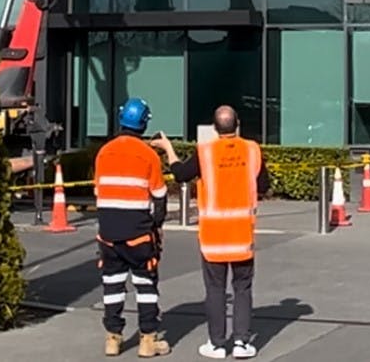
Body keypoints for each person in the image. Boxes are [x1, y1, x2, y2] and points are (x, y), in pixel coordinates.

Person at [152, 106, 269, 360]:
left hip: (213, 237)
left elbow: (181, 174)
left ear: (215, 128)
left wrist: (168, 148)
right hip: (241, 235)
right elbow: (264, 185)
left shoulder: (204, 153)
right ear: (237, 124)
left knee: (215, 290)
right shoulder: (252, 150)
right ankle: (241, 342)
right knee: (243, 289)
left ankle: (216, 344)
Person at [94, 98, 171, 358]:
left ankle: (112, 339)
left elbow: (98, 190)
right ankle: (148, 340)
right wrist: (157, 226)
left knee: (112, 285)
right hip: (138, 233)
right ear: (144, 123)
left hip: (108, 233)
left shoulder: (104, 152)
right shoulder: (149, 154)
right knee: (145, 284)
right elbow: (159, 195)